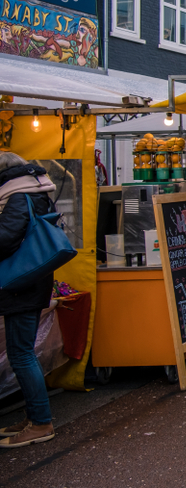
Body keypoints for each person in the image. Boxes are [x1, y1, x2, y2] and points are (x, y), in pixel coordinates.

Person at [0, 153, 58, 448]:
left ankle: (40, 423)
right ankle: (34, 416)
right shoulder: (35, 191)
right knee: (22, 351)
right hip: (32, 279)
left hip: (20, 283)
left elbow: (5, 238)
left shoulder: (19, 197)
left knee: (21, 353)